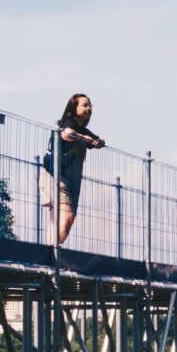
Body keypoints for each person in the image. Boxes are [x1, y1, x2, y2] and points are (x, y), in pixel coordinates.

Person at [50, 92, 105, 244]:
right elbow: (67, 134)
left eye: (90, 105)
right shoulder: (68, 122)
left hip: (68, 176)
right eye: (85, 105)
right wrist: (85, 139)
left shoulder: (81, 128)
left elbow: (99, 140)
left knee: (60, 218)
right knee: (67, 216)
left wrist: (99, 142)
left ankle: (51, 251)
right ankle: (53, 251)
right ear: (74, 108)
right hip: (56, 174)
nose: (89, 108)